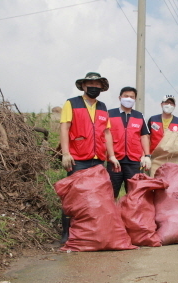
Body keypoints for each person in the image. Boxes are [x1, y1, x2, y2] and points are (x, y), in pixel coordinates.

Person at [58, 72, 120, 244]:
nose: (94, 87)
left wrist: (112, 156)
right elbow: (65, 128)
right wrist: (65, 153)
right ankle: (67, 234)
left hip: (98, 159)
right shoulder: (72, 103)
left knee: (97, 198)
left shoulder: (102, 107)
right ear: (84, 86)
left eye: (97, 84)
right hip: (77, 158)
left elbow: (106, 132)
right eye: (90, 84)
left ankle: (91, 234)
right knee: (73, 197)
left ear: (101, 87)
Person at [108, 86, 152, 198]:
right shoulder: (110, 114)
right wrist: (110, 155)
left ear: (135, 99)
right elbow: (105, 135)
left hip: (134, 161)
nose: (129, 99)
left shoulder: (139, 115)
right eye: (126, 96)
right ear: (120, 97)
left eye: (132, 97)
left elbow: (144, 136)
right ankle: (111, 215)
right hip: (115, 160)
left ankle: (131, 215)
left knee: (134, 194)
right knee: (111, 193)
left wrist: (147, 156)